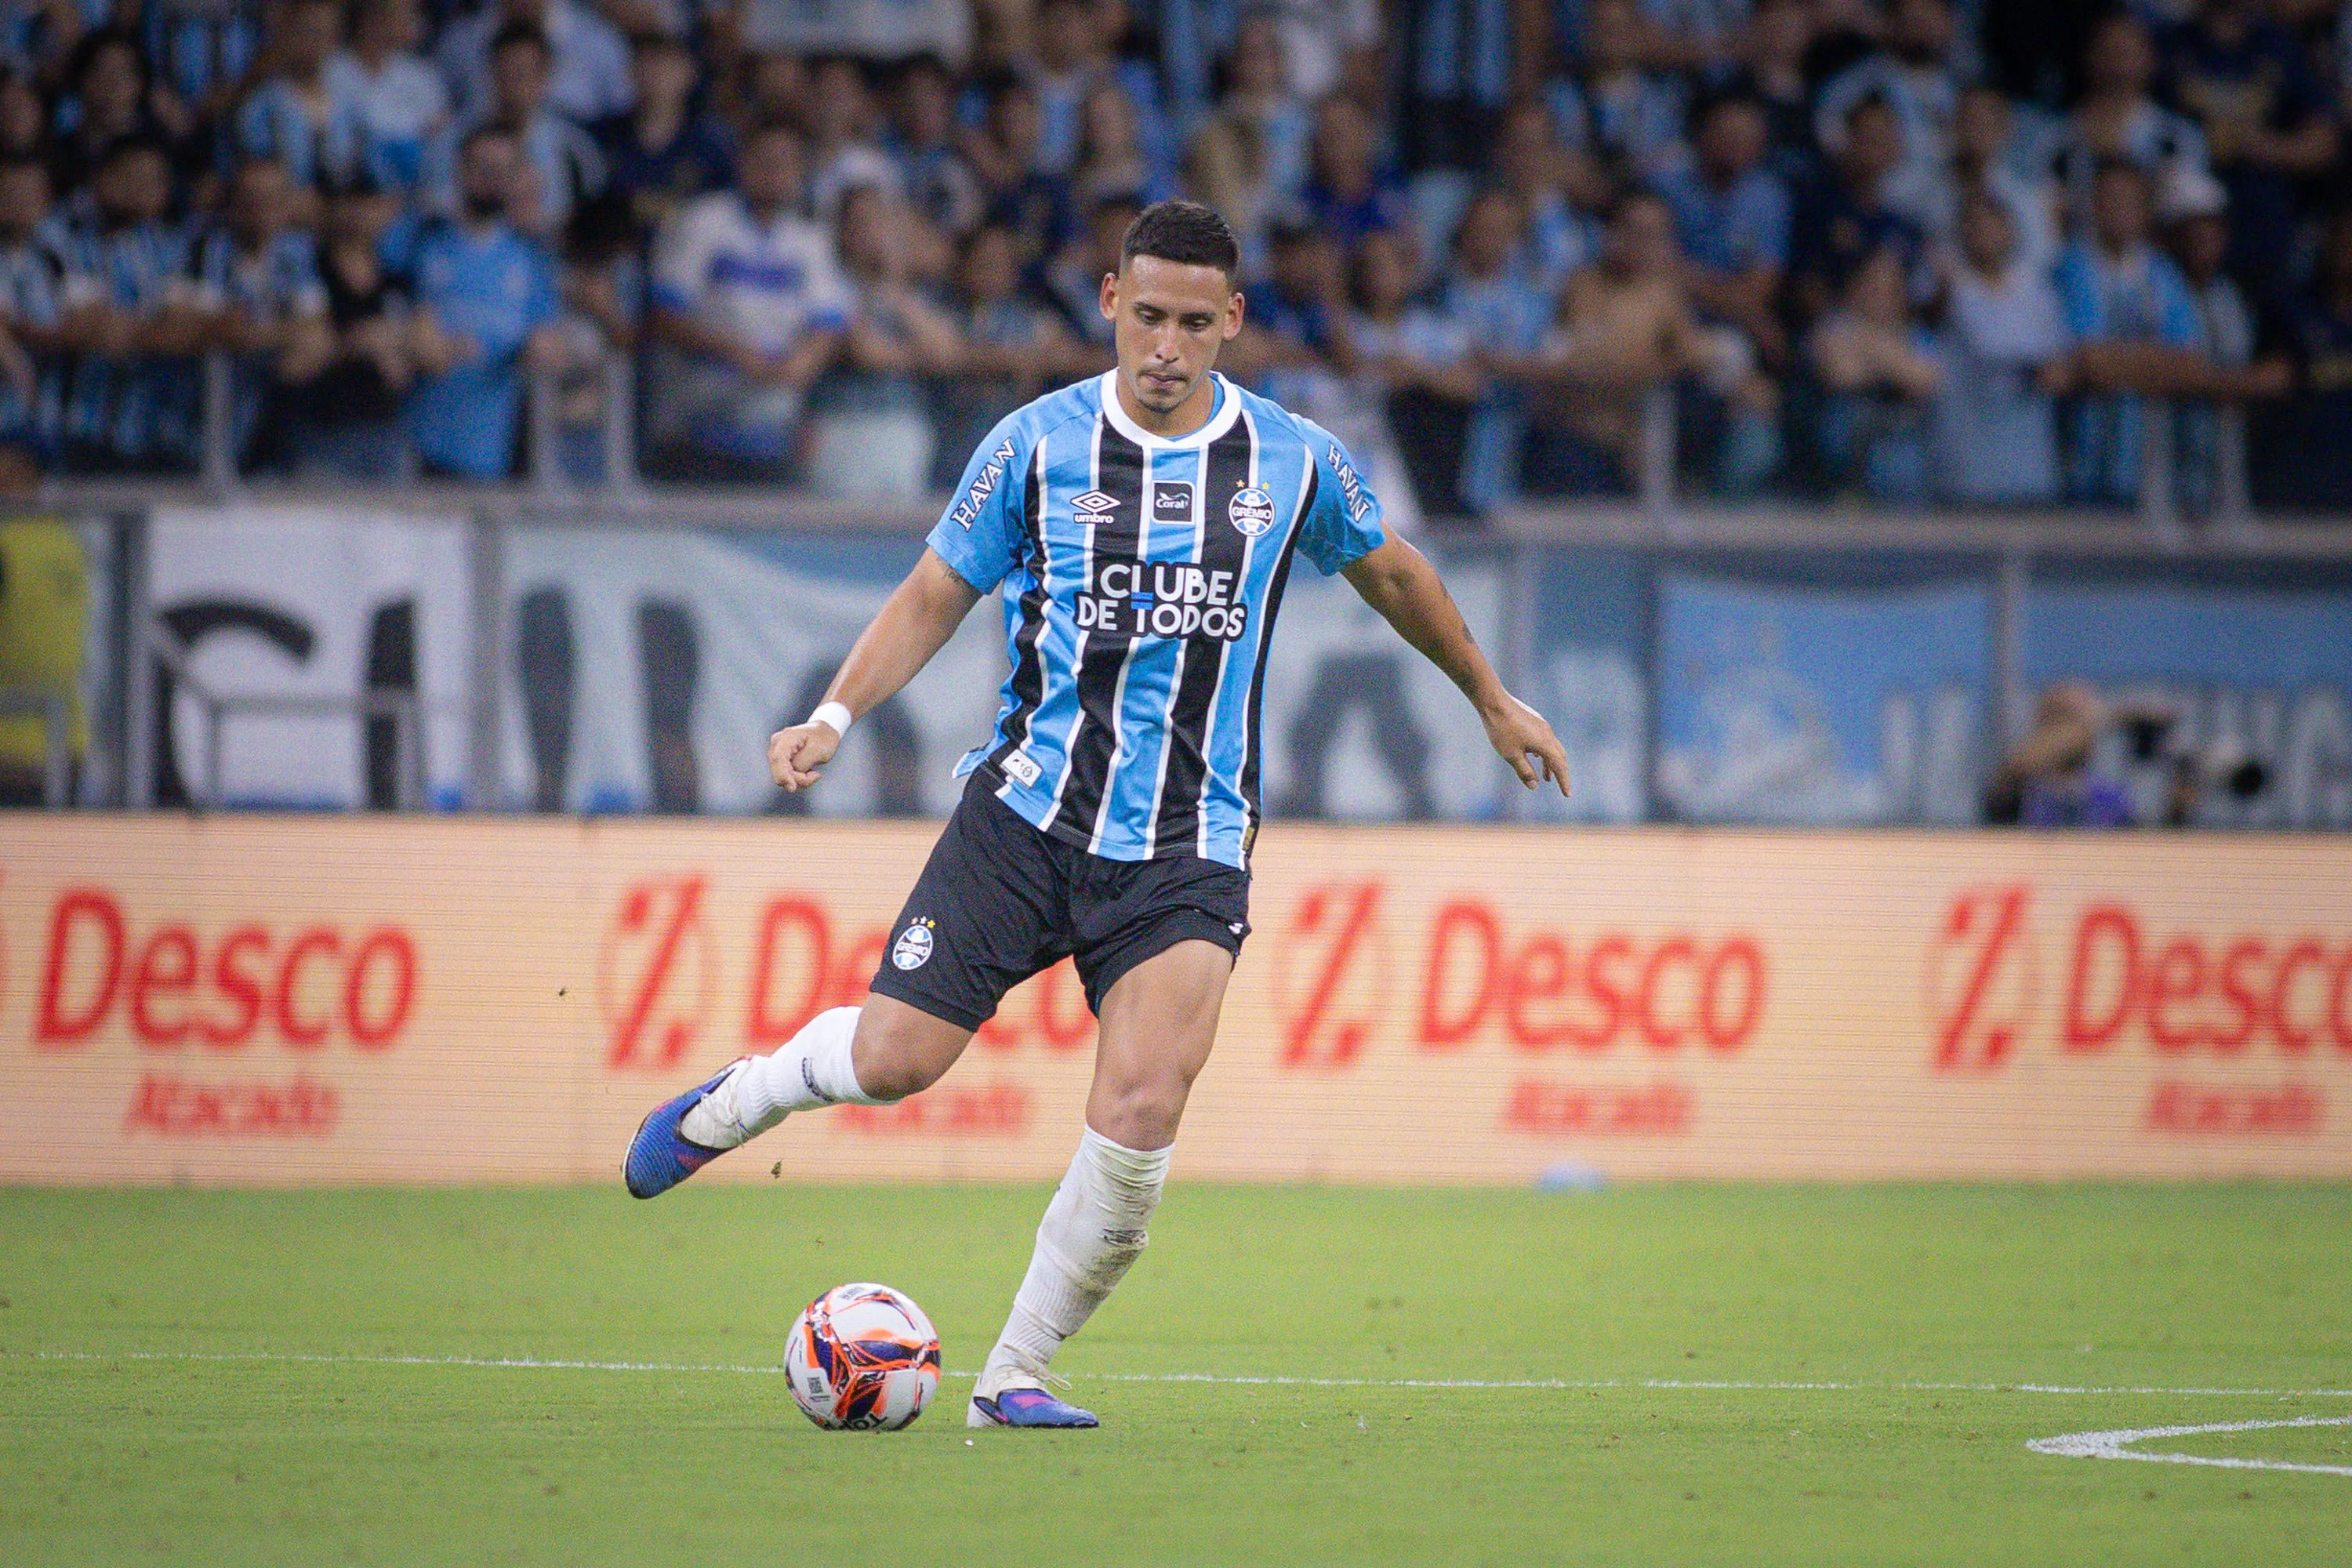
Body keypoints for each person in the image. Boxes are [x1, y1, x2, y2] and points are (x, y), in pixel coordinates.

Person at [621, 198, 1570, 1431]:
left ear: (1231, 322)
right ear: (1111, 302)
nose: (1167, 346)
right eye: (1148, 315)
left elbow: (1395, 571)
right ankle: (738, 1101)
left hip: (1189, 842)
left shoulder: (1290, 460)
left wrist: (1490, 697)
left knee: (1141, 1111)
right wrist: (834, 718)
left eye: (1195, 322)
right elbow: (930, 595)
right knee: (893, 1062)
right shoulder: (1032, 446)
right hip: (1023, 816)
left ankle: (1013, 1371)